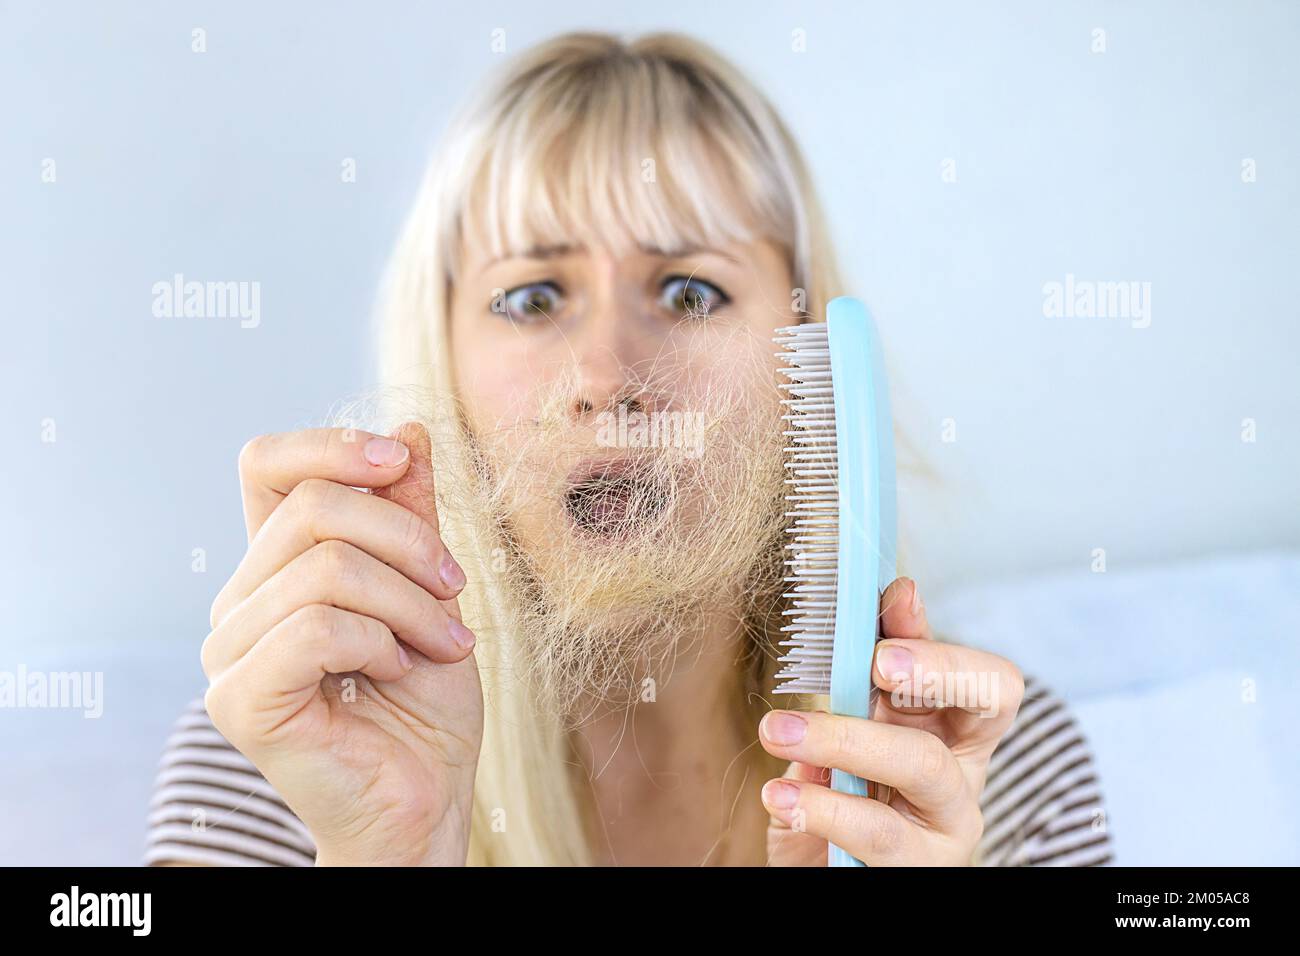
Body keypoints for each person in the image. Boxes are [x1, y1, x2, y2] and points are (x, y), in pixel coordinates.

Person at [147, 31, 1111, 867]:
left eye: (691, 292)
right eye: (532, 298)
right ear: (439, 363)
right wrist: (383, 850)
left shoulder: (990, 774)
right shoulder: (291, 753)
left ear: (804, 370)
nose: (607, 374)